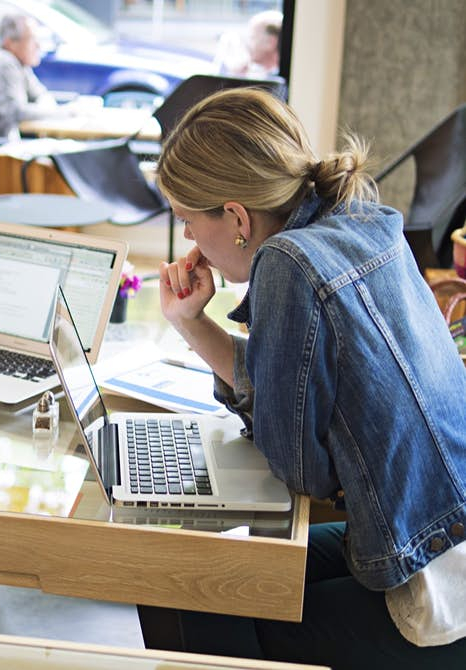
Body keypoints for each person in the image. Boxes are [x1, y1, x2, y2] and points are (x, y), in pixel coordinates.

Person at [155, 88, 466, 668]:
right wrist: (192, 324)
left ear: (237, 217)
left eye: (189, 224)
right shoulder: (360, 218)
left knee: (185, 589)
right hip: (436, 534)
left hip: (438, 586)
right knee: (211, 575)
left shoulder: (287, 264)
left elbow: (302, 470)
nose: (190, 242)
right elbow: (299, 403)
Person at [0, 13, 73, 141]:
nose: (38, 45)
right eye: (32, 39)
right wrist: (66, 112)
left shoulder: (19, 63)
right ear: (11, 42)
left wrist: (48, 108)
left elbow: (40, 94)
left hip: (0, 142)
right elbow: (15, 113)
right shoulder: (3, 64)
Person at [214, 10, 282, 79]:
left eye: (253, 38)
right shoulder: (264, 75)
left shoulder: (277, 79)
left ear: (271, 41)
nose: (247, 45)